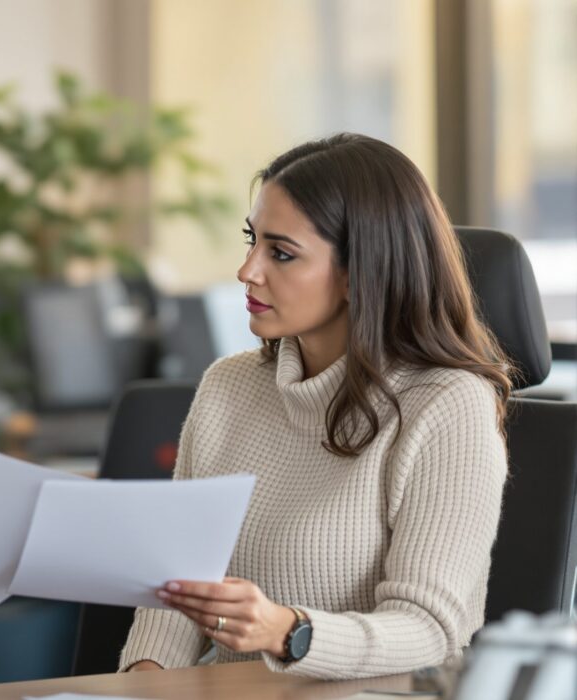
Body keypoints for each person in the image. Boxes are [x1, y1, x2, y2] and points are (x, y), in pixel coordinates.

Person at [120, 133, 512, 680]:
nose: (248, 271)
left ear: (359, 274)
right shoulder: (228, 387)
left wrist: (288, 631)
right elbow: (179, 594)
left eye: (281, 253)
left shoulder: (447, 405)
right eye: (251, 241)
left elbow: (430, 630)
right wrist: (140, 684)